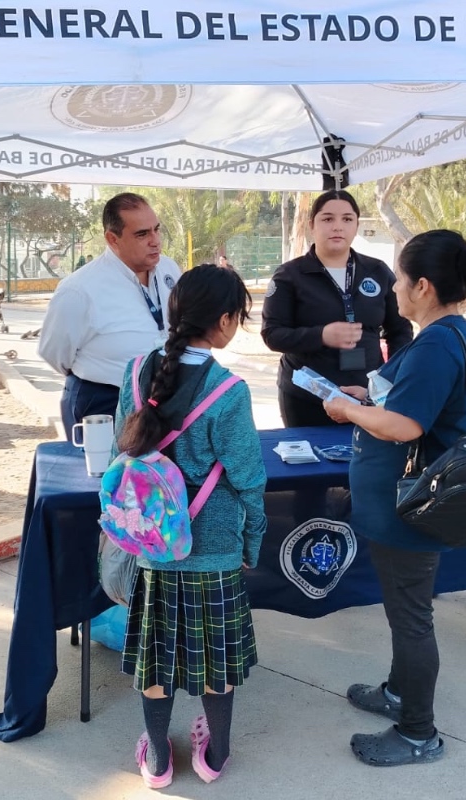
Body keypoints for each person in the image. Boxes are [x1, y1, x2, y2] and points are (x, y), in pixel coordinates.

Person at [323, 229, 466, 767]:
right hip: (405, 502)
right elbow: (409, 402)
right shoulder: (454, 334)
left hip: (409, 508)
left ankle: (418, 733)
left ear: (422, 286)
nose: (394, 289)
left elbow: (404, 425)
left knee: (411, 617)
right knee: (407, 610)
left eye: (400, 279)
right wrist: (368, 394)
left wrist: (348, 410)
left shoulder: (436, 345)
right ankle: (399, 693)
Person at [113, 264, 267, 789]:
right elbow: (249, 479)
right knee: (216, 658)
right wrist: (253, 542)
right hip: (214, 549)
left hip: (153, 548)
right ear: (224, 322)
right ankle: (214, 754)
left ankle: (158, 760)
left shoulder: (136, 372)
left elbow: (123, 450)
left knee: (157, 658)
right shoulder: (228, 392)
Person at [262, 189, 413, 427]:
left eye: (347, 219)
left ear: (356, 225)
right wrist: (321, 335)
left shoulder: (377, 271)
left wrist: (389, 379)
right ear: (312, 224)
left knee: (364, 461)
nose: (337, 227)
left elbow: (400, 329)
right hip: (307, 397)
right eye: (328, 218)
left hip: (367, 398)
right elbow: (272, 334)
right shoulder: (289, 276)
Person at [39, 193, 183, 437]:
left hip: (162, 397)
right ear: (112, 239)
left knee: (158, 475)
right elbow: (54, 353)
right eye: (142, 234)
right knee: (104, 474)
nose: (155, 241)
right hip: (104, 403)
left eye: (156, 230)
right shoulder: (79, 290)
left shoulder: (169, 269)